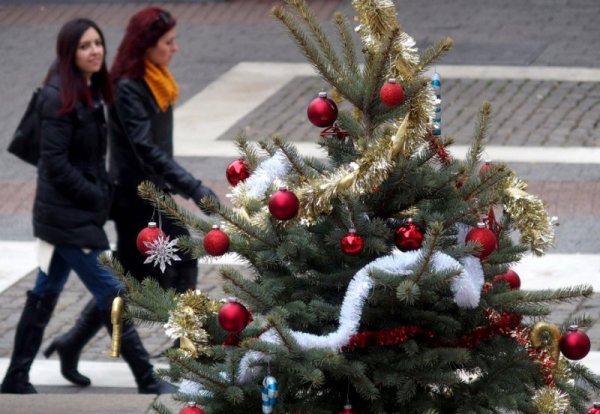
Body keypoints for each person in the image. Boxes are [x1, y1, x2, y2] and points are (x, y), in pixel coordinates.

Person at [43, 7, 219, 388]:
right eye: (168, 43)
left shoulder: (156, 79)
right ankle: (179, 350)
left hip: (152, 195)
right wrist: (193, 187)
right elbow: (146, 149)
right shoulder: (128, 88)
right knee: (133, 279)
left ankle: (76, 343)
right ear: (146, 47)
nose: (175, 49)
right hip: (135, 201)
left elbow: (157, 151)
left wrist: (180, 186)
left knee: (144, 272)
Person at [0, 18, 175, 395]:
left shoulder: (91, 90)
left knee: (46, 289)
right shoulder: (59, 96)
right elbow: (54, 163)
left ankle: (16, 375)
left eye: (97, 43)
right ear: (69, 53)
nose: (95, 51)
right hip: (68, 217)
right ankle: (146, 377)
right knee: (113, 292)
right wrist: (97, 196)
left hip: (72, 215)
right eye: (84, 46)